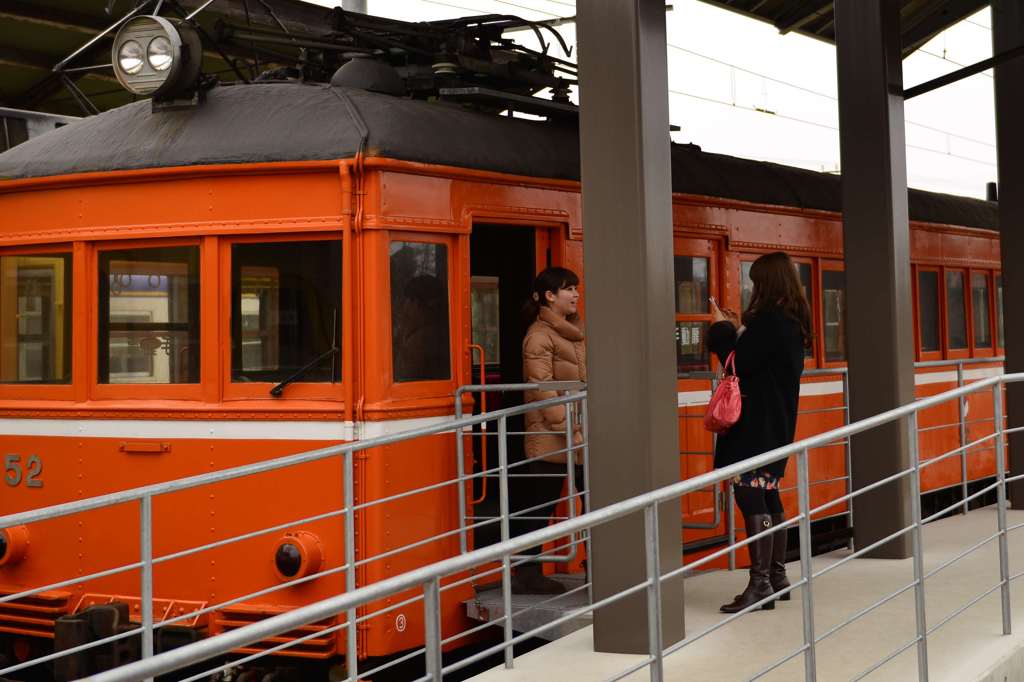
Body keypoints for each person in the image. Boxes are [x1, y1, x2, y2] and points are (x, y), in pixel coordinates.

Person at [707, 251, 811, 614]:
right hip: (777, 422)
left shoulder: (769, 321)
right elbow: (758, 357)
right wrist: (739, 331)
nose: (752, 286)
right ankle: (777, 576)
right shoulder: (791, 320)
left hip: (755, 425)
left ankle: (760, 582)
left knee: (750, 495)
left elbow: (739, 362)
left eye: (755, 280)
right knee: (767, 494)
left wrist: (721, 329)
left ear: (766, 283)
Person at [513, 266, 587, 595]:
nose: (575, 294)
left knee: (593, 499)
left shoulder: (575, 329)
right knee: (540, 505)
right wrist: (568, 427)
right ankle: (527, 572)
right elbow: (542, 387)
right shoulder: (539, 335)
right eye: (568, 289)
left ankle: (597, 564)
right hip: (554, 433)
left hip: (580, 432)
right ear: (549, 296)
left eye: (575, 289)